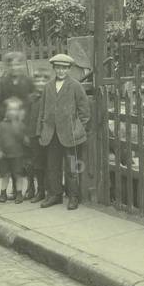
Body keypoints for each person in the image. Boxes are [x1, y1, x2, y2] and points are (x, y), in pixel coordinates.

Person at [37, 53, 91, 210]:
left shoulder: (75, 86)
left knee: (72, 166)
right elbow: (42, 110)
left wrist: (78, 127)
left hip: (70, 134)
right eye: (58, 68)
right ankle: (55, 195)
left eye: (64, 68)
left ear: (69, 69)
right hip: (51, 133)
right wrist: (41, 130)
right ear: (54, 68)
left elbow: (84, 111)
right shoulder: (48, 87)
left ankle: (73, 196)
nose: (61, 71)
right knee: (52, 165)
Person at [0, 96, 27, 204]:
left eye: (15, 110)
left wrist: (17, 124)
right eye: (10, 109)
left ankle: (19, 193)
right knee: (5, 175)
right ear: (6, 111)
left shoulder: (20, 125)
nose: (12, 112)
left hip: (17, 155)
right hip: (4, 155)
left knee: (18, 175)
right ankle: (3, 193)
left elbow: (22, 138)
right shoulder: (1, 125)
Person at [24, 71, 47, 203]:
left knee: (40, 163)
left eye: (43, 81)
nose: (40, 84)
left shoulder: (48, 98)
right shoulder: (30, 99)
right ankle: (30, 188)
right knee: (29, 163)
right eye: (37, 81)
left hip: (43, 135)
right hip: (30, 134)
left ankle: (41, 190)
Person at [0, 51, 34, 121]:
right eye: (11, 65)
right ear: (7, 67)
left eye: (17, 65)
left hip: (26, 118)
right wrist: (6, 114)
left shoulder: (28, 81)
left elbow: (33, 99)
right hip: (8, 119)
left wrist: (24, 110)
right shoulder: (3, 83)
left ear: (22, 65)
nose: (14, 68)